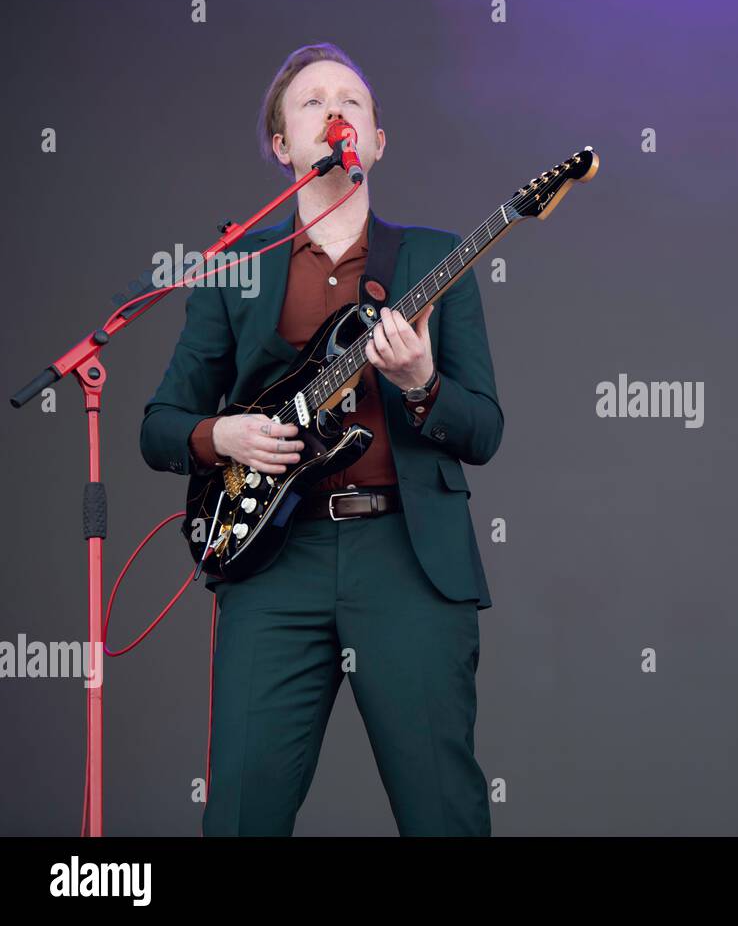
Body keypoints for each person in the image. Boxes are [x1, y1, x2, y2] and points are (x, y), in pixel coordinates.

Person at [139, 42, 502, 836]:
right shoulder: (234, 267)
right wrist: (220, 434)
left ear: (376, 141)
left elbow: (485, 429)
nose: (334, 110)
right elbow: (159, 426)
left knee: (444, 813)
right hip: (272, 562)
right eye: (311, 102)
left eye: (354, 101)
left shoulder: (436, 260)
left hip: (408, 559)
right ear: (283, 148)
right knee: (238, 814)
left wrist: (421, 387)